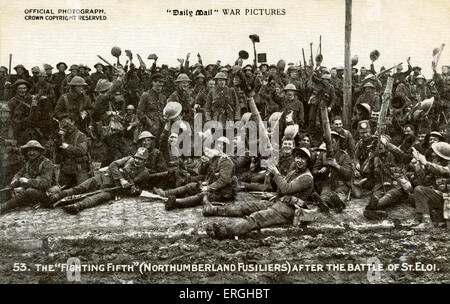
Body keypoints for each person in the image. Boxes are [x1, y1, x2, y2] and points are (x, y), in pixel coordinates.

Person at [204, 147, 314, 239]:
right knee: (248, 206)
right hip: (279, 203)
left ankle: (224, 231)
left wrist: (276, 173)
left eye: (303, 158)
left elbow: (286, 189)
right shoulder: (294, 172)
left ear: (308, 162)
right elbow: (280, 190)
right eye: (298, 157)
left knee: (257, 217)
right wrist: (271, 176)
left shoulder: (307, 178)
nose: (299, 160)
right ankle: (213, 209)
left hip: (289, 210)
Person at [49, 147, 150, 215]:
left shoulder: (144, 173)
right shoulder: (128, 159)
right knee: (80, 188)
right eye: (136, 158)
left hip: (112, 189)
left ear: (145, 161)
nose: (137, 161)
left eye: (140, 159)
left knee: (96, 198)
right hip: (102, 178)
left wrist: (132, 190)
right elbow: (113, 165)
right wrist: (122, 179)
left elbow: (138, 188)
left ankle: (77, 206)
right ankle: (57, 196)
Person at [154, 137, 236, 210]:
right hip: (212, 187)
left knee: (202, 195)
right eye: (217, 145)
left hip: (223, 192)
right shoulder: (214, 159)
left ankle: (176, 203)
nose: (218, 147)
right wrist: (204, 163)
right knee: (191, 186)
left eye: (222, 145)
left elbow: (223, 180)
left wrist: (208, 187)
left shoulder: (226, 161)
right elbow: (201, 172)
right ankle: (165, 193)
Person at [1, 140, 55, 214]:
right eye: (29, 150)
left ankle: (2, 208)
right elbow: (19, 173)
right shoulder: (29, 163)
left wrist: (27, 181)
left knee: (28, 191)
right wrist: (15, 180)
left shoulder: (46, 163)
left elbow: (46, 183)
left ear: (39, 151)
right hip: (33, 193)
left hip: (48, 195)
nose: (31, 153)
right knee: (9, 190)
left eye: (34, 150)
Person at [411, 142, 450, 229]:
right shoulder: (436, 165)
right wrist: (418, 167)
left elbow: (445, 171)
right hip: (441, 198)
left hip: (448, 200)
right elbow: (425, 182)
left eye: (435, 153)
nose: (432, 154)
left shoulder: (445, 166)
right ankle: (426, 221)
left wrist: (426, 163)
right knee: (418, 191)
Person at [312, 131, 351, 210]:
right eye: (328, 143)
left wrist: (336, 165)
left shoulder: (344, 156)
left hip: (340, 184)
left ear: (338, 142)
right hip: (327, 184)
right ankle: (326, 203)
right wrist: (320, 171)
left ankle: (338, 204)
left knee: (339, 196)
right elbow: (314, 170)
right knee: (325, 196)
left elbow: (348, 174)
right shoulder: (323, 155)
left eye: (332, 142)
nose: (330, 145)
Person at [54, 114, 91, 188]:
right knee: (61, 191)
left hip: (79, 168)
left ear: (73, 122)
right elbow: (58, 153)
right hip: (66, 169)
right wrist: (57, 142)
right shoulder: (62, 136)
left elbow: (82, 151)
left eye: (66, 123)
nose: (64, 125)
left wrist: (68, 147)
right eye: (62, 122)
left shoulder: (81, 136)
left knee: (83, 189)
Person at [137, 73, 167, 137]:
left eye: (162, 82)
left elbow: (165, 112)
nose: (161, 84)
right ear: (153, 82)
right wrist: (148, 123)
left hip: (161, 126)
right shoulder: (146, 95)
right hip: (149, 128)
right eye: (159, 82)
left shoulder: (163, 97)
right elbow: (139, 112)